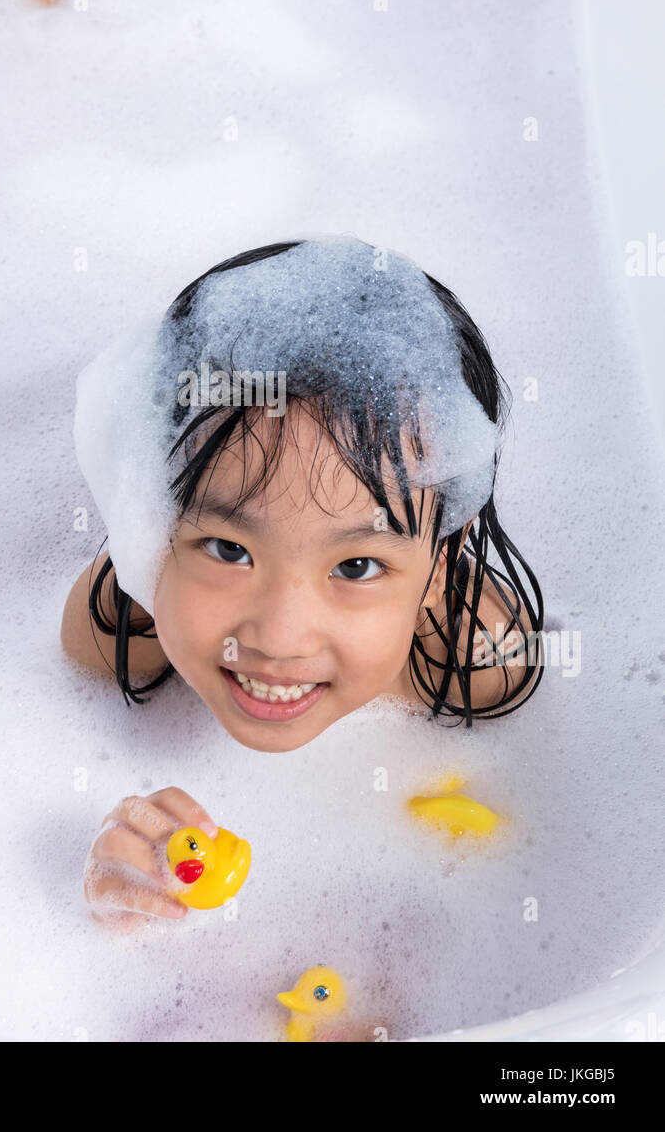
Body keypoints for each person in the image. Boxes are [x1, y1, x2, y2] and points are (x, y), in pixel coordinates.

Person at [62, 236, 543, 931]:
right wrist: (121, 858)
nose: (281, 637)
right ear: (149, 529)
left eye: (355, 567)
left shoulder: (476, 655)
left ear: (439, 568)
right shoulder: (117, 628)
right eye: (228, 549)